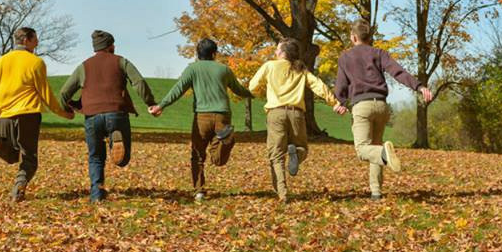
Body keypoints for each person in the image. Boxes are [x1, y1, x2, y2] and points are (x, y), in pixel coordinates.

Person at [334, 19, 433, 201]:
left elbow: (341, 84)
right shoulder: (379, 53)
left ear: (353, 37)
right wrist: (419, 87)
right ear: (369, 37)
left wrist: (340, 101)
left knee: (363, 149)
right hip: (381, 106)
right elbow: (398, 72)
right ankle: (376, 192)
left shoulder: (346, 58)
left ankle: (384, 156)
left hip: (362, 106)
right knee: (376, 145)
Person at [148, 38, 252, 201]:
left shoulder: (192, 69)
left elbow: (178, 89)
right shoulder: (224, 69)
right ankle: (225, 141)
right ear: (214, 53)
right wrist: (253, 93)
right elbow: (238, 89)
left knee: (197, 154)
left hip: (201, 117)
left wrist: (161, 106)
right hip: (222, 115)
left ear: (197, 54)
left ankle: (199, 191)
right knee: (218, 159)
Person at [0, 26, 74, 203]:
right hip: (28, 115)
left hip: (4, 115)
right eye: (35, 39)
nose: (37, 42)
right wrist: (62, 113)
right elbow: (45, 93)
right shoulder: (35, 62)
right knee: (29, 156)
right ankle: (19, 185)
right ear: (26, 40)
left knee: (12, 153)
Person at [60, 30, 156, 202]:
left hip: (92, 116)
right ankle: (115, 138)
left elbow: (64, 93)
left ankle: (97, 194)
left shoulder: (84, 66)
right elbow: (139, 82)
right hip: (117, 112)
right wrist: (150, 103)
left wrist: (67, 109)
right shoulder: (121, 61)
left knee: (95, 156)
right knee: (122, 159)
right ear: (110, 46)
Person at [249, 38, 347, 203]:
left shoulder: (269, 66)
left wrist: (261, 90)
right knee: (302, 147)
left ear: (283, 53)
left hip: (275, 113)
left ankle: (283, 193)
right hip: (296, 114)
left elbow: (252, 86)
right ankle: (297, 154)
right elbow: (319, 86)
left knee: (276, 155)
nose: (275, 52)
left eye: (277, 50)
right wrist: (335, 103)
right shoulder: (301, 69)